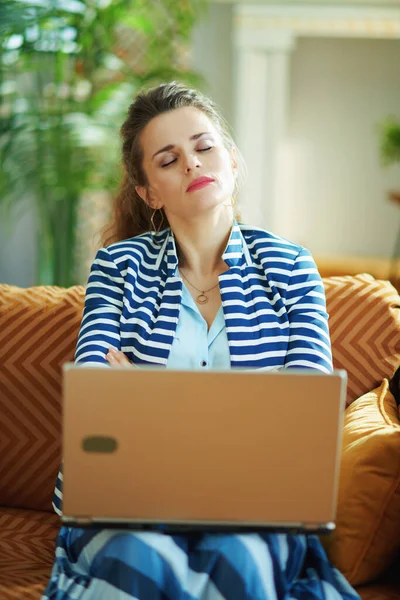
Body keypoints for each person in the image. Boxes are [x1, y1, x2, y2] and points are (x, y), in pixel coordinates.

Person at [43, 82, 359, 600]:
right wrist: (254, 408)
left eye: (203, 146)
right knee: (141, 555)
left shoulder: (291, 265)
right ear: (148, 193)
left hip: (257, 503)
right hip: (131, 497)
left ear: (230, 161)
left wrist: (145, 402)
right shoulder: (118, 267)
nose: (192, 163)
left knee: (238, 556)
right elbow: (97, 408)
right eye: (168, 160)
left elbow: (306, 418)